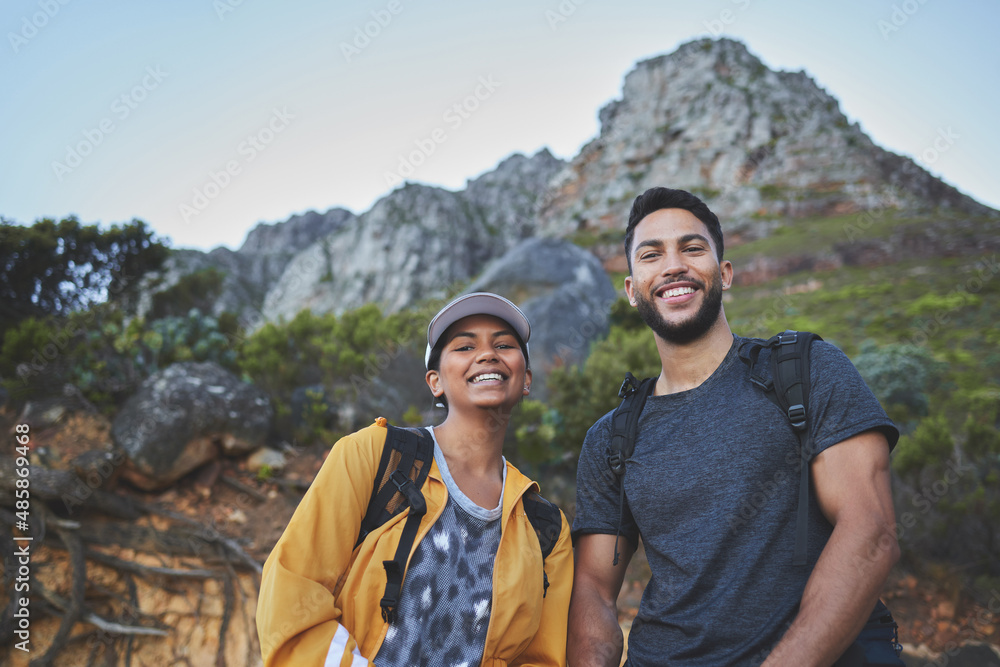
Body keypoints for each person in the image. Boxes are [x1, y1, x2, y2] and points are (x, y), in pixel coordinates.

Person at [568, 188, 901, 666]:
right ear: (631, 288)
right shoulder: (612, 436)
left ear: (724, 274)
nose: (673, 265)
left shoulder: (806, 371)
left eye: (692, 247)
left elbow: (870, 530)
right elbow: (595, 590)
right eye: (651, 254)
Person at [257, 292, 573, 666]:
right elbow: (293, 591)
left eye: (503, 344)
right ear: (435, 381)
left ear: (526, 380)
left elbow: (543, 658)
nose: (488, 354)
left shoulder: (545, 528)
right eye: (465, 346)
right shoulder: (374, 456)